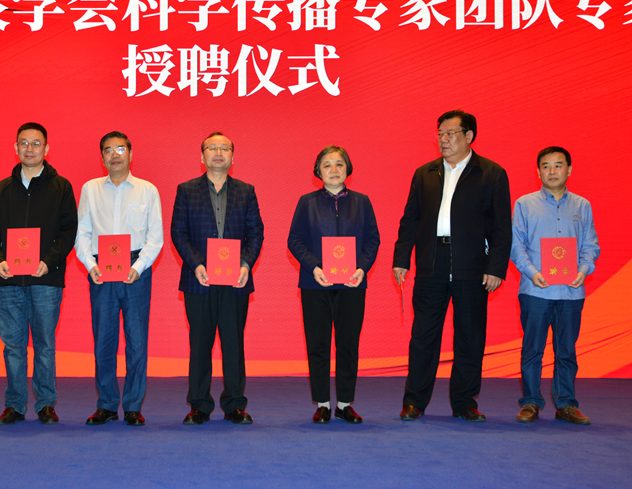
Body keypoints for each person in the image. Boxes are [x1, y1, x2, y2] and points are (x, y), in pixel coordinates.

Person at [393, 110, 511, 422]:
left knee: (470, 336)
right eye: (440, 134)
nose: (443, 140)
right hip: (432, 261)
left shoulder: (491, 173)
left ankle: (464, 402)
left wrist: (496, 267)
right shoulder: (425, 173)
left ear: (469, 136)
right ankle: (414, 401)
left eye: (450, 133)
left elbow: (501, 226)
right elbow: (410, 219)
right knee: (423, 337)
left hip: (472, 264)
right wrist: (402, 258)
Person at [0, 122, 77, 426]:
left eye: (36, 143)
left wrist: (49, 261)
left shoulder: (61, 187)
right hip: (9, 280)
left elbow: (68, 231)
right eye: (24, 143)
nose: (30, 149)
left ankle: (46, 404)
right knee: (13, 347)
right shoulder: (2, 189)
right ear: (16, 148)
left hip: (46, 278)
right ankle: (15, 405)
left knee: (45, 345)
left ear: (47, 148)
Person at [171, 132, 264, 425]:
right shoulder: (186, 190)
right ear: (202, 157)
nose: (218, 152)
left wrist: (246, 265)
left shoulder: (246, 191)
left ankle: (235, 404)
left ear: (233, 157)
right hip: (199, 279)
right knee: (200, 345)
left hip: (236, 281)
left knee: (233, 344)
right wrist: (196, 264)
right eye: (212, 148)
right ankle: (199, 405)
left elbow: (256, 232)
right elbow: (178, 232)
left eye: (225, 148)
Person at [75, 131, 163, 426]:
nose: (115, 155)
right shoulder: (90, 189)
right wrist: (90, 264)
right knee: (104, 340)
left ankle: (134, 405)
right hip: (101, 269)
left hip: (136, 269)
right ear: (102, 157)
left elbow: (155, 237)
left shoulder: (147, 190)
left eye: (121, 149)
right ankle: (107, 405)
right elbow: (82, 232)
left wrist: (139, 266)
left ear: (131, 154)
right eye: (108, 150)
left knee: (137, 341)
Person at [287, 146, 380, 424]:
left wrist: (362, 268)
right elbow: (295, 241)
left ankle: (344, 404)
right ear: (318, 171)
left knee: (348, 344)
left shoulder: (362, 202)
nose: (334, 170)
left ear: (348, 169)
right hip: (315, 284)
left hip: (352, 284)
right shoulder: (307, 202)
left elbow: (372, 240)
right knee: (318, 344)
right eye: (327, 165)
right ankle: (323, 404)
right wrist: (314, 267)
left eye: (339, 164)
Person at [510, 147, 599, 425]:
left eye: (558, 165)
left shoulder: (582, 206)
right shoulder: (524, 204)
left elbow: (590, 245)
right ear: (538, 172)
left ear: (569, 170)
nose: (552, 171)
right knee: (532, 349)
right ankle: (530, 403)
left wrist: (583, 270)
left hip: (571, 290)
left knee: (567, 351)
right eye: (546, 166)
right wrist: (532, 272)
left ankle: (566, 405)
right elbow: (516, 246)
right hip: (536, 289)